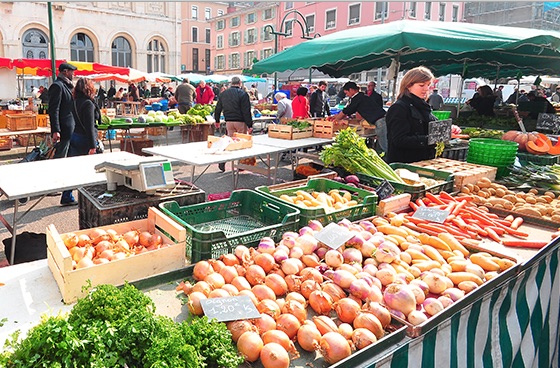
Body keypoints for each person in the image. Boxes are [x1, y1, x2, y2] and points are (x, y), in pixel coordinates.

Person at [385, 66, 437, 164]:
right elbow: (400, 140)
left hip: (424, 163)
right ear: (408, 85)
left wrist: (448, 129)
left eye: (428, 85)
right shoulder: (399, 108)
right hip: (405, 165)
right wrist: (431, 139)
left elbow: (432, 125)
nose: (426, 89)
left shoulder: (423, 107)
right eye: (422, 85)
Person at [48, 62, 78, 206]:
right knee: (59, 159)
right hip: (63, 130)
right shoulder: (57, 86)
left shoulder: (67, 85)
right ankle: (52, 186)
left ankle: (62, 186)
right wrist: (56, 130)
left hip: (70, 128)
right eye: (72, 72)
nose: (73, 74)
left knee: (66, 159)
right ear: (65, 72)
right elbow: (54, 110)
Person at [329, 81, 387, 153]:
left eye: (347, 93)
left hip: (381, 122)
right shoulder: (362, 96)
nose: (347, 95)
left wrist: (336, 119)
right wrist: (336, 116)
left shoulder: (357, 97)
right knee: (382, 146)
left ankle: (390, 163)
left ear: (351, 90)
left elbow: (347, 111)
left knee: (384, 146)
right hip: (382, 120)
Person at [213, 76, 253, 172]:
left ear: (231, 83)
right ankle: (240, 165)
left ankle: (223, 161)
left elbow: (218, 108)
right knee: (241, 143)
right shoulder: (243, 94)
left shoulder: (223, 94)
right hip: (240, 121)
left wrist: (217, 120)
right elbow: (246, 111)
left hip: (229, 121)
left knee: (229, 142)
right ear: (240, 83)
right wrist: (250, 125)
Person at [70, 78, 99, 159]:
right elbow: (89, 126)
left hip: (75, 135)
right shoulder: (88, 104)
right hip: (85, 139)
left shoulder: (75, 102)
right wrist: (93, 146)